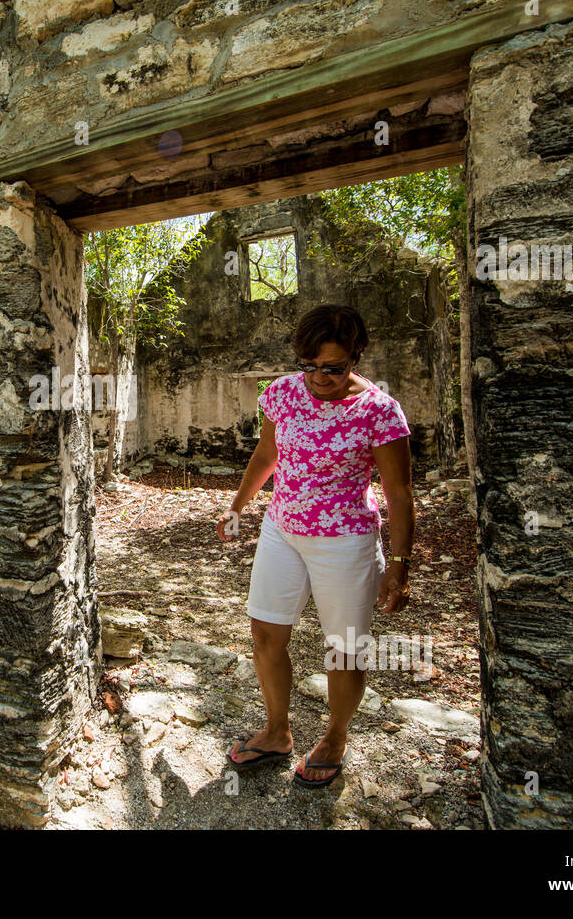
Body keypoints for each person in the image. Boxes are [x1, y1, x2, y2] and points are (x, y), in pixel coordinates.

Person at [216, 303, 414, 787]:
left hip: (346, 541)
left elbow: (399, 493)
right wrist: (238, 505)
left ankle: (335, 736)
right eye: (309, 365)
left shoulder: (379, 412)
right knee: (265, 633)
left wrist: (402, 563)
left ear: (356, 356)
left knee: (343, 649)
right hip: (282, 529)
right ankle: (277, 731)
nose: (319, 377)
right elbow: (268, 453)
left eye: (333, 367)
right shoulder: (281, 393)